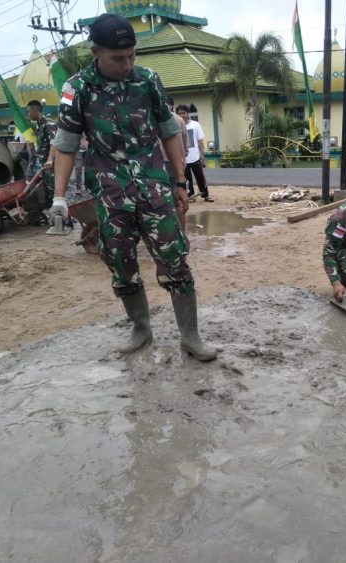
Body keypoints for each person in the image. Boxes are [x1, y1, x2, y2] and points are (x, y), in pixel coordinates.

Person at [48, 13, 216, 361]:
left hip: (154, 191)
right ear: (96, 51)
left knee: (175, 261)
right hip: (110, 196)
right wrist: (59, 198)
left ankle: (191, 336)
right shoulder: (77, 89)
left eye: (131, 56)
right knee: (121, 265)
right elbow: (65, 144)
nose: (127, 65)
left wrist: (181, 181)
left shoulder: (148, 81)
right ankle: (141, 327)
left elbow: (169, 131)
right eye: (117, 58)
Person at [160, 95, 188, 229]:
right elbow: (185, 144)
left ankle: (171, 233)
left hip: (161, 164)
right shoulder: (180, 120)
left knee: (163, 201)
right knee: (178, 200)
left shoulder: (153, 118)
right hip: (178, 164)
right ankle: (182, 235)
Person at [175, 104, 213, 202]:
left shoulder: (195, 124)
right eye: (179, 113)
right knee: (187, 179)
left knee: (200, 177)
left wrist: (202, 153)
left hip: (195, 157)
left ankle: (205, 195)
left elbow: (200, 140)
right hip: (183, 159)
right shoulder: (176, 126)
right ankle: (190, 195)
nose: (182, 115)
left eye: (183, 113)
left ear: (187, 113)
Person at [26, 99, 57, 204]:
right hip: (45, 165)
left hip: (52, 165)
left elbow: (54, 143)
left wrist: (50, 160)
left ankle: (64, 218)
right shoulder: (39, 125)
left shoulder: (49, 124)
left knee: (55, 191)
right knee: (48, 189)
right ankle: (53, 216)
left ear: (35, 110)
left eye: (29, 111)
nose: (28, 114)